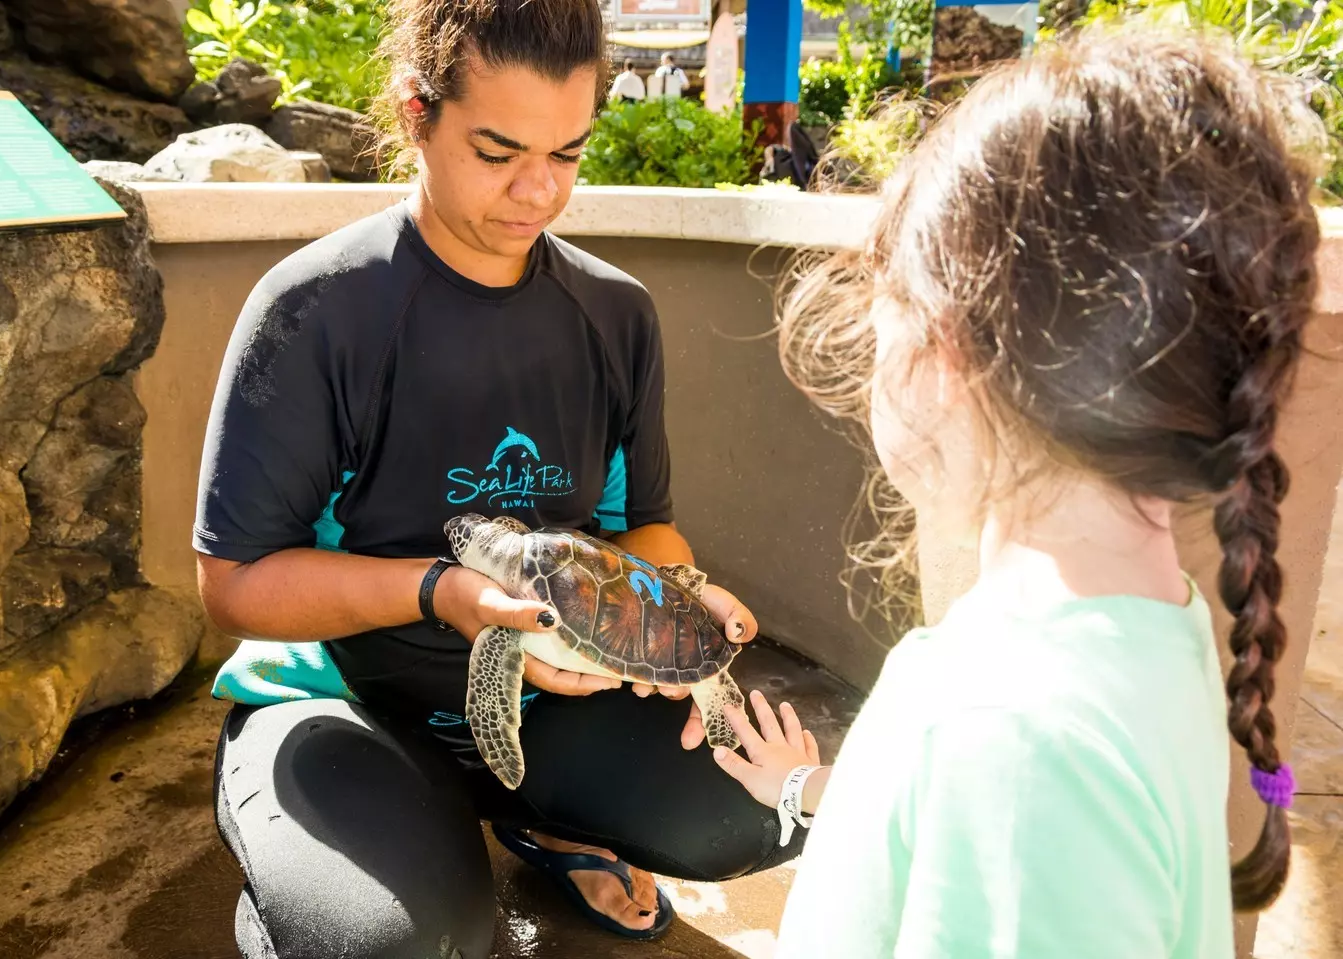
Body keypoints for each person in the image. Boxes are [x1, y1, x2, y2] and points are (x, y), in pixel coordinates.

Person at [193, 0, 802, 956]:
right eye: (497, 150)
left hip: (548, 690)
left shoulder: (613, 313)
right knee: (387, 943)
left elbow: (645, 531)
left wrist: (674, 591)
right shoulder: (316, 310)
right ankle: (355, 875)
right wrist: (441, 592)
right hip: (339, 698)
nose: (538, 191)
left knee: (754, 813)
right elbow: (233, 588)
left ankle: (550, 823)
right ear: (415, 112)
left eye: (566, 152)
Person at [713, 26, 1323, 958]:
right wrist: (817, 793)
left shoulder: (1012, 737)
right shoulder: (1145, 628)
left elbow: (1021, 806)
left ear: (945, 350)